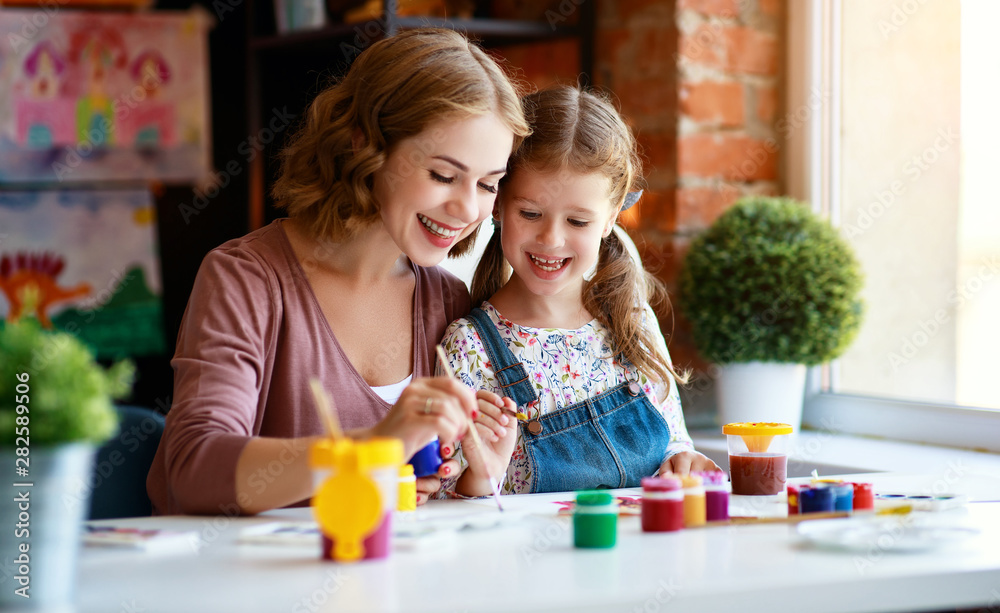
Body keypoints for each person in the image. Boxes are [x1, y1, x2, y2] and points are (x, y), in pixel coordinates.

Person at [147, 28, 530, 515]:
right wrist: (371, 449)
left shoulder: (448, 303)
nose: (466, 207)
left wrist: (472, 478)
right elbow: (192, 471)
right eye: (442, 175)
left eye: (488, 184)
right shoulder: (246, 280)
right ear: (363, 143)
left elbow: (423, 501)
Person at [439, 85, 719, 497]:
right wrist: (483, 476)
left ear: (611, 217)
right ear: (498, 203)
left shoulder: (633, 321)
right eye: (530, 213)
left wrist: (684, 463)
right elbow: (442, 509)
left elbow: (675, 443)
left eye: (578, 222)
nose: (551, 239)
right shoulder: (468, 347)